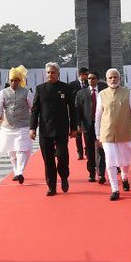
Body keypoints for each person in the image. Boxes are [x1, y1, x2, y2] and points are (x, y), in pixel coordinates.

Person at [29, 62, 77, 196]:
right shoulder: (40, 89)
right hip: (45, 129)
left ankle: (64, 176)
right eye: (48, 72)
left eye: (53, 72)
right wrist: (32, 128)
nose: (50, 74)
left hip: (61, 128)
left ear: (58, 74)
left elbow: (72, 109)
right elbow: (35, 110)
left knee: (62, 156)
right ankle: (51, 186)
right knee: (48, 159)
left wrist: (74, 128)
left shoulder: (66, 88)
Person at [94, 68, 131, 201]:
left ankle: (124, 177)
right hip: (107, 133)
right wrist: (97, 135)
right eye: (110, 77)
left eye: (115, 77)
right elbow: (98, 116)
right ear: (106, 79)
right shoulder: (102, 94)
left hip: (125, 132)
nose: (113, 79)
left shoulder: (128, 93)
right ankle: (115, 189)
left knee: (125, 161)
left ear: (119, 78)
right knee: (110, 161)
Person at [0, 66, 34, 184]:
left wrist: (35, 122)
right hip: (8, 127)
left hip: (23, 126)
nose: (13, 83)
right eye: (11, 80)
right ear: (9, 80)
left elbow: (33, 107)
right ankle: (16, 172)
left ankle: (20, 172)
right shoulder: (3, 93)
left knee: (21, 149)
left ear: (19, 81)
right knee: (11, 151)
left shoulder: (26, 92)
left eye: (16, 80)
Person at [74, 69, 107, 184]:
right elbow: (77, 110)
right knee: (90, 150)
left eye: (93, 78)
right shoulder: (81, 93)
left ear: (97, 80)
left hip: (102, 125)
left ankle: (101, 173)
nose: (90, 80)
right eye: (89, 78)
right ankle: (91, 173)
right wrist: (78, 124)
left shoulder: (104, 91)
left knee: (101, 149)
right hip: (87, 125)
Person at [69, 68, 89, 160]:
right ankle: (80, 152)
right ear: (81, 74)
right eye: (86, 74)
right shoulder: (72, 85)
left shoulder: (88, 84)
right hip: (76, 112)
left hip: (86, 112)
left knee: (87, 133)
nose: (87, 76)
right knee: (78, 133)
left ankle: (87, 151)